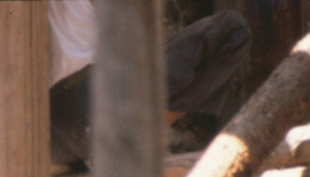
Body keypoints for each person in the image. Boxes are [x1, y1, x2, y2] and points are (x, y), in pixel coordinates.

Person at [49, 0, 251, 168]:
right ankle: (130, 145)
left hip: (54, 141)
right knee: (232, 30)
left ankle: (128, 144)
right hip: (81, 109)